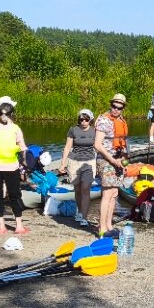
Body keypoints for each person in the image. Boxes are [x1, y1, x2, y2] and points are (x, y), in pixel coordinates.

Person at [0, 100, 29, 235]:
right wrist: (24, 165)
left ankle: (2, 226)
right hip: (9, 167)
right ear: (12, 114)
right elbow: (22, 149)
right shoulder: (15, 128)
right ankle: (18, 226)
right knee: (14, 195)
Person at [94, 93, 130, 235]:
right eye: (114, 106)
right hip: (106, 160)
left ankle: (109, 226)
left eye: (119, 108)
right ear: (111, 105)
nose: (116, 110)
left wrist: (123, 160)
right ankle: (102, 228)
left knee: (114, 193)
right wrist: (112, 160)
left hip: (118, 160)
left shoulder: (120, 120)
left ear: (123, 108)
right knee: (107, 194)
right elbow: (97, 144)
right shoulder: (104, 120)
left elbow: (123, 142)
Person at [58, 108, 99, 227]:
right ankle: (80, 212)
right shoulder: (73, 130)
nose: (83, 121)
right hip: (74, 162)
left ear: (90, 120)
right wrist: (63, 163)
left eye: (86, 119)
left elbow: (98, 146)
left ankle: (84, 216)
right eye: (81, 119)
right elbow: (67, 147)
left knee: (85, 188)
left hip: (89, 162)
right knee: (77, 189)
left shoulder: (94, 131)